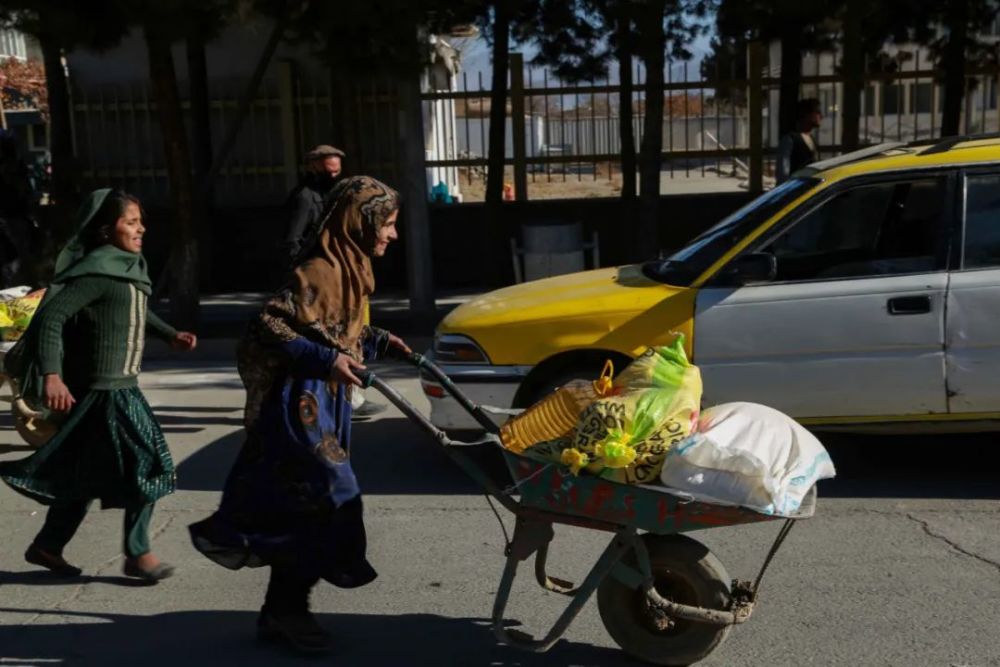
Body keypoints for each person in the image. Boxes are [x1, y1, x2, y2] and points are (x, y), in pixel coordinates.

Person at [189, 176, 410, 655]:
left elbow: (331, 332)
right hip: (301, 406)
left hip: (323, 405)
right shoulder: (318, 270)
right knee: (330, 497)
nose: (393, 234)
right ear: (361, 221)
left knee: (303, 508)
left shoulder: (351, 270)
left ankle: (282, 610)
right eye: (388, 224)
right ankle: (287, 611)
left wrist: (377, 340)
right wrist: (326, 361)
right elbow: (268, 324)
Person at [0, 188, 197, 582]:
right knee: (151, 462)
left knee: (84, 471)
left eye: (141, 221)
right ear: (107, 231)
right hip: (108, 390)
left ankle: (48, 546)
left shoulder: (128, 267)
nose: (141, 229)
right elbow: (52, 318)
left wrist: (169, 334)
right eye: (131, 222)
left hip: (119, 385)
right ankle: (139, 553)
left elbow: (133, 309)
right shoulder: (95, 272)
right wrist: (52, 375)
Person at [284, 144, 345, 266]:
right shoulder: (304, 196)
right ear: (313, 167)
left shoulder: (335, 192)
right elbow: (292, 240)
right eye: (328, 171)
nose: (333, 176)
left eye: (337, 171)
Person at [776, 98, 823, 183]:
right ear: (806, 114)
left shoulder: (812, 139)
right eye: (817, 112)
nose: (821, 116)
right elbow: (783, 174)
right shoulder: (790, 140)